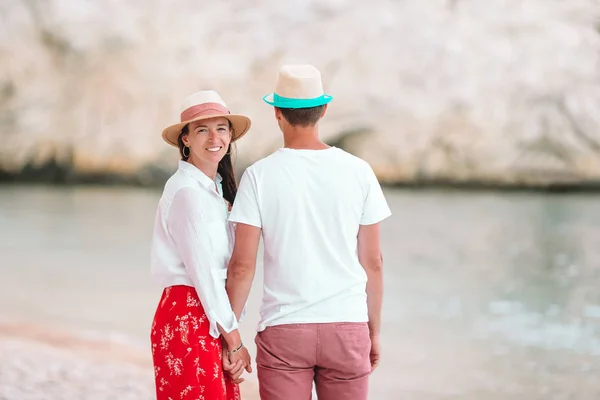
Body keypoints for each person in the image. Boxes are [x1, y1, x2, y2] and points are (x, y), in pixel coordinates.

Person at [225, 65, 392, 400]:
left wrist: (230, 338)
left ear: (277, 114)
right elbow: (373, 261)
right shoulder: (359, 172)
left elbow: (242, 266)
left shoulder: (259, 176)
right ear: (324, 110)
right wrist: (373, 330)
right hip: (347, 326)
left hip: (284, 331)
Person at [150, 90, 252, 400]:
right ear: (185, 139)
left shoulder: (215, 192)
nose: (213, 137)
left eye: (221, 128)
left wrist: (227, 330)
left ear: (230, 134)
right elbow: (205, 275)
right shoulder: (187, 193)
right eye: (201, 129)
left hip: (208, 317)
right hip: (188, 316)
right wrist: (234, 341)